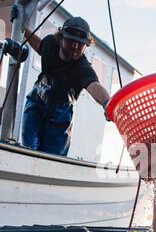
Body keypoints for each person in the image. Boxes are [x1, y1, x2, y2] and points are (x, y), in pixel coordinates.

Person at [21, 16, 110, 156]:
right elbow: (39, 46)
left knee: (50, 159)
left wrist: (108, 103)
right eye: (71, 40)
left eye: (80, 43)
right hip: (36, 104)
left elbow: (94, 86)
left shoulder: (83, 68)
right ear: (61, 37)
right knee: (28, 150)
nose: (75, 46)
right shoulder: (50, 44)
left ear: (86, 45)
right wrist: (22, 27)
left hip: (60, 118)